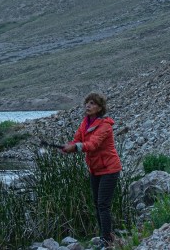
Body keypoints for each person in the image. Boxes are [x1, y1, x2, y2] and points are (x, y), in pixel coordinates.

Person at [62, 92, 123, 249]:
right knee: (97, 204)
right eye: (87, 103)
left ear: (100, 108)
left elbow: (92, 144)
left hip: (110, 169)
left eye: (93, 103)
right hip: (95, 169)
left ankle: (106, 240)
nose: (88, 106)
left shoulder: (105, 126)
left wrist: (75, 147)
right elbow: (77, 140)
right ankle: (106, 236)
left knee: (103, 204)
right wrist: (69, 146)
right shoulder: (85, 123)